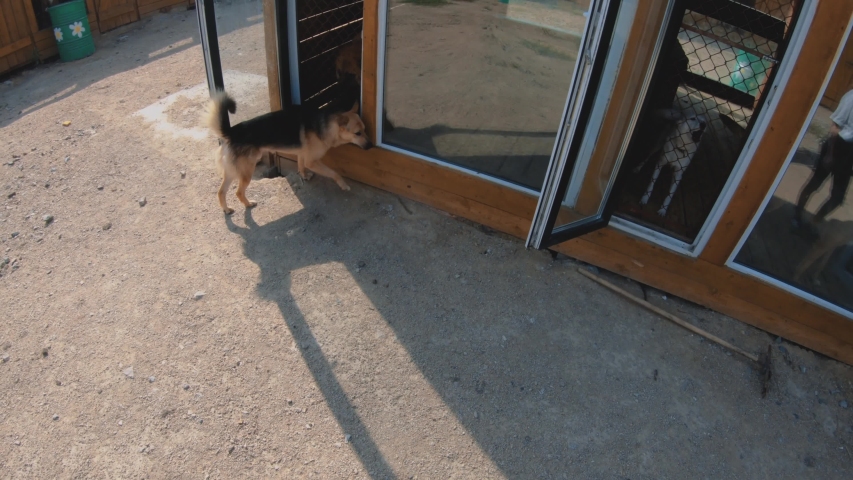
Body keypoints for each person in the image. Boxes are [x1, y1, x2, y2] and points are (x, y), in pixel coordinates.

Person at [793, 89, 853, 236]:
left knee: (837, 197)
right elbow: (835, 127)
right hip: (837, 146)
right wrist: (830, 155)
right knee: (815, 184)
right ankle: (796, 216)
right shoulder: (851, 97)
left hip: (849, 153)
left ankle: (813, 222)